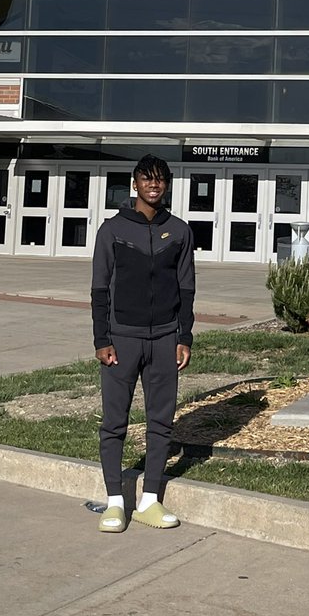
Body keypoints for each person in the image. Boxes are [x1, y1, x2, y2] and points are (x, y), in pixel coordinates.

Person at [91, 154, 195, 532]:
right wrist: (102, 339)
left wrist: (184, 336)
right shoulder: (112, 230)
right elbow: (100, 289)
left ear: (167, 185)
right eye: (146, 179)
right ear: (134, 183)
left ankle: (150, 500)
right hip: (122, 339)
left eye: (160, 180)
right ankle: (116, 502)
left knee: (161, 422)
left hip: (165, 338)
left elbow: (186, 288)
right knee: (114, 423)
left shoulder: (180, 232)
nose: (154, 185)